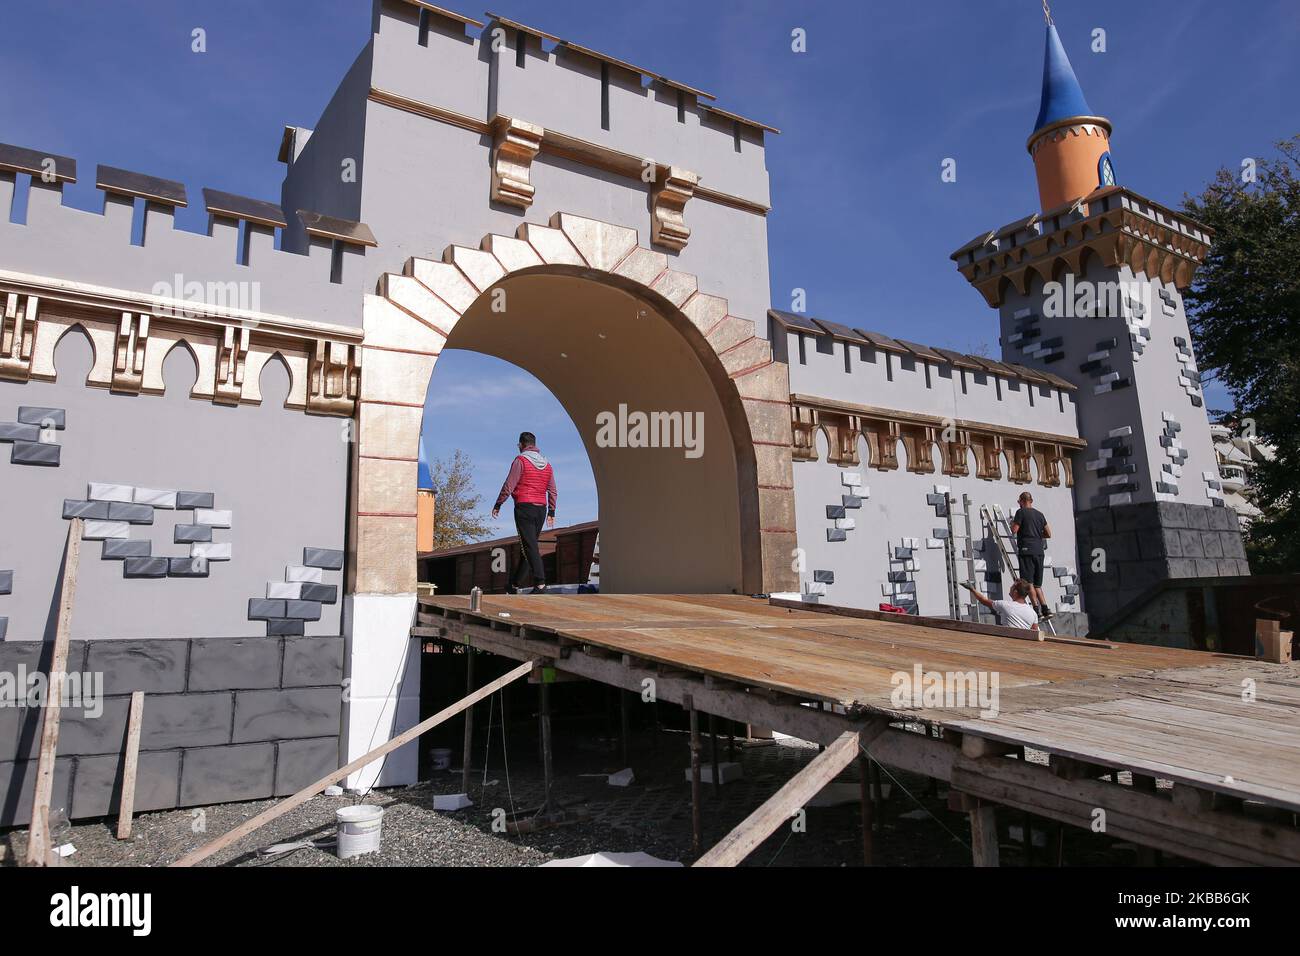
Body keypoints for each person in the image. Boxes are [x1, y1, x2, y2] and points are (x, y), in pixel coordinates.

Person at [491, 431, 557, 593]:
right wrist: (551, 511)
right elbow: (553, 490)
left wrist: (498, 504)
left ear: (521, 445)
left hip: (524, 507)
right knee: (528, 546)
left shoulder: (520, 461)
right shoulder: (547, 465)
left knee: (530, 546)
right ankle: (515, 584)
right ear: (534, 445)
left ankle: (540, 583)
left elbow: (509, 485)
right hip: (541, 510)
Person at [1009, 491, 1053, 621]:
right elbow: (1049, 534)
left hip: (1026, 550)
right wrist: (1037, 536)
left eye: (1019, 502)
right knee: (1038, 584)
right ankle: (1046, 609)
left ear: (1022, 501)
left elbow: (1014, 530)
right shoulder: (1040, 514)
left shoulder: (1020, 512)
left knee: (1029, 583)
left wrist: (1013, 523)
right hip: (1039, 551)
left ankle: (1036, 611)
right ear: (1031, 500)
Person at [962, 579, 1040, 631]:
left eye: (1012, 587)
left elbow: (984, 600)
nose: (1010, 587)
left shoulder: (1005, 605)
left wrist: (972, 589)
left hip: (1007, 643)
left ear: (1015, 592)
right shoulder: (1033, 613)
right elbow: (1035, 632)